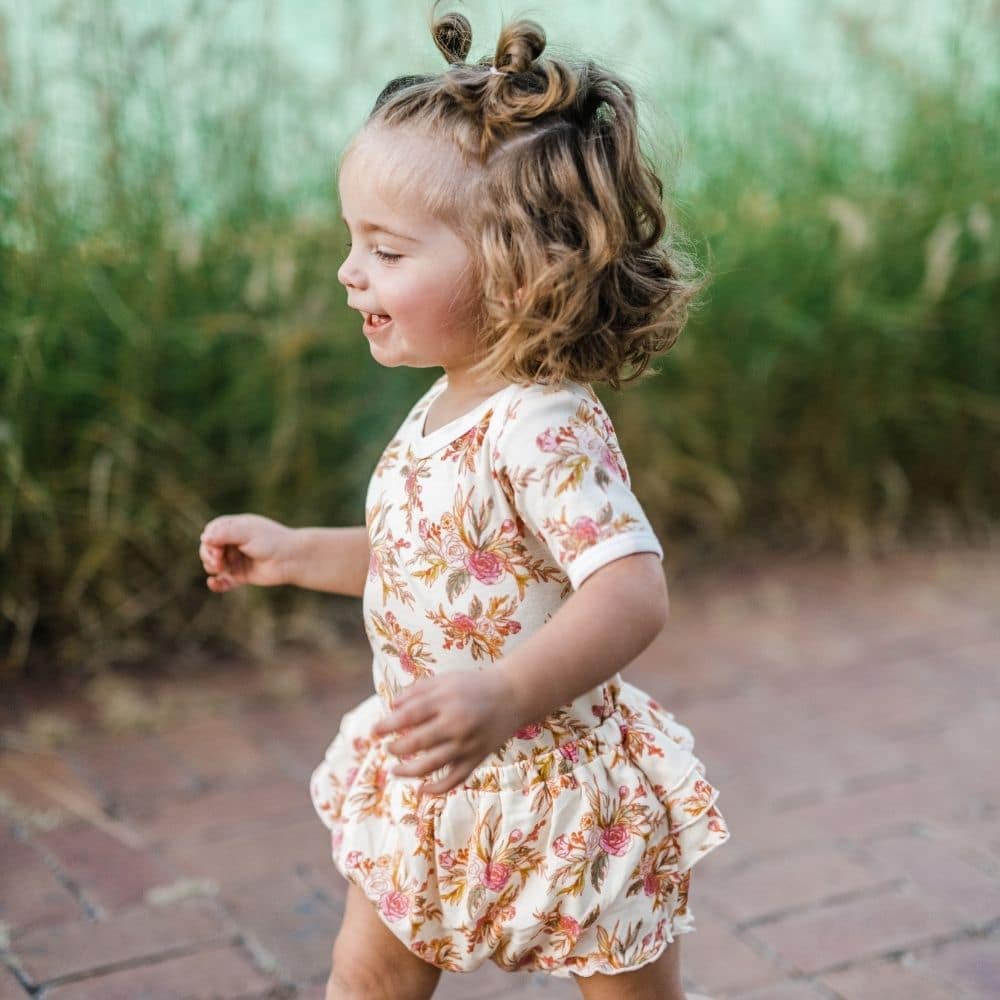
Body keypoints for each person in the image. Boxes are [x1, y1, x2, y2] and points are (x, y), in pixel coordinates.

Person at [199, 10, 728, 999]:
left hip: (554, 790)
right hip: (432, 773)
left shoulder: (540, 422)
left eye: (388, 251)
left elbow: (629, 591)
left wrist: (504, 692)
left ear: (517, 270)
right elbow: (440, 564)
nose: (351, 271)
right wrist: (293, 552)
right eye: (352, 240)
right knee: (366, 981)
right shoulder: (450, 397)